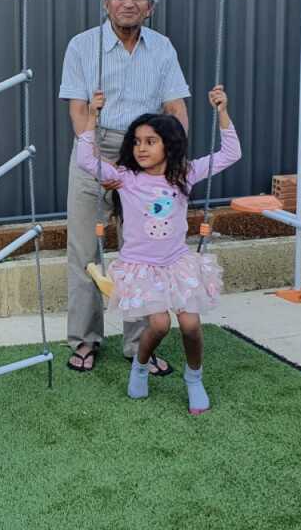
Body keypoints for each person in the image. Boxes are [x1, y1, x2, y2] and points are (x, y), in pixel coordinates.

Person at [76, 85, 240, 414]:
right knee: (160, 324)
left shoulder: (185, 174)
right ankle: (140, 366)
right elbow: (84, 159)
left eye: (150, 141)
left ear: (170, 145)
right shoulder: (125, 178)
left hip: (177, 263)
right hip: (141, 267)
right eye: (136, 142)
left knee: (191, 326)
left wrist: (222, 112)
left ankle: (194, 379)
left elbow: (230, 154)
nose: (141, 148)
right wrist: (93, 118)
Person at [59, 0, 191, 374]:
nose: (128, 3)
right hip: (94, 145)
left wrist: (170, 159)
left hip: (147, 150)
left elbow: (176, 108)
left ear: (149, 8)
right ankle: (84, 341)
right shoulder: (82, 46)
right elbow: (79, 110)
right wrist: (96, 160)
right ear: (106, 3)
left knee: (142, 253)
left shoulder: (163, 48)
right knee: (85, 249)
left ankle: (139, 345)